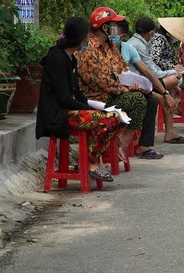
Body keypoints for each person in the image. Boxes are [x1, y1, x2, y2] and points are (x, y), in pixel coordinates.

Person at [36, 17, 123, 183]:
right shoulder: (57, 59)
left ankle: (90, 160)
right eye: (87, 36)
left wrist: (94, 107)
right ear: (80, 38)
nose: (89, 39)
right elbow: (65, 99)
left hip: (68, 110)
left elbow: (78, 93)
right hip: (57, 114)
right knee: (108, 120)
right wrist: (91, 111)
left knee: (115, 117)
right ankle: (90, 162)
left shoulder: (71, 59)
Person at [76, 7, 161, 161]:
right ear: (105, 27)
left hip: (114, 93)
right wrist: (124, 89)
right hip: (97, 98)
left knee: (148, 100)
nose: (117, 29)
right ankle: (120, 142)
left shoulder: (111, 47)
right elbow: (99, 82)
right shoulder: (88, 50)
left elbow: (123, 69)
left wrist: (132, 83)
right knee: (137, 100)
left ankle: (123, 142)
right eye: (114, 25)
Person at [127, 17, 184, 144]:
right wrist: (175, 72)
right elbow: (152, 71)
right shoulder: (140, 45)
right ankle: (170, 114)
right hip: (140, 82)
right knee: (174, 81)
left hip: (146, 79)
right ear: (151, 32)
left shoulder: (136, 42)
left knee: (172, 85)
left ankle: (169, 130)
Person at [151, 17, 184, 108]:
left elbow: (168, 58)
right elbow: (155, 59)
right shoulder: (159, 39)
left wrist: (178, 66)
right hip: (163, 74)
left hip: (169, 71)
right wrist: (172, 66)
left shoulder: (164, 38)